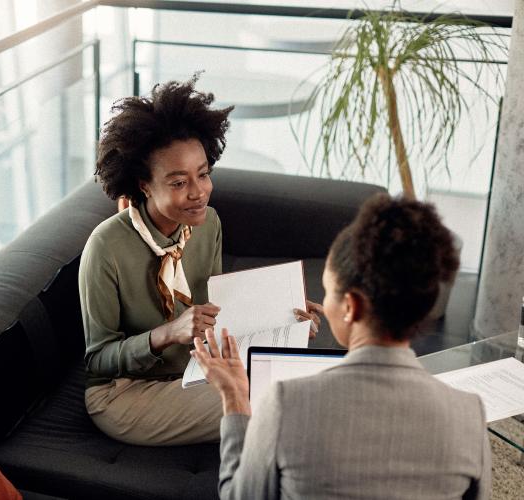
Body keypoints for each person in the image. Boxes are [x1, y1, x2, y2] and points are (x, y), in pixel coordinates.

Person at [193, 193, 491, 499]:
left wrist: (235, 399)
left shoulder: (285, 404)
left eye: (328, 290)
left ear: (351, 306)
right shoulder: (469, 415)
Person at [79, 75, 322, 446]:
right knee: (280, 401)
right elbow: (98, 362)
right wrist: (167, 334)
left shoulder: (207, 224)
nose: (198, 192)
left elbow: (216, 314)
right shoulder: (106, 248)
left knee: (304, 378)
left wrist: (281, 315)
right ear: (144, 185)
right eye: (178, 183)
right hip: (126, 393)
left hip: (196, 369)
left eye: (203, 174)